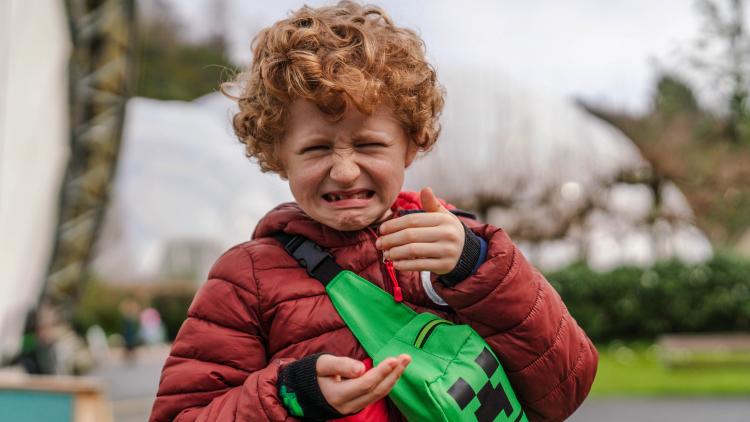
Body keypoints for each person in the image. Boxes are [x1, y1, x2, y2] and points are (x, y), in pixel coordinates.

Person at [149, 2, 597, 421]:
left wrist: (477, 268)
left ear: (412, 144)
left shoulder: (464, 248)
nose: (344, 171)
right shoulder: (247, 280)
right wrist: (292, 392)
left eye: (368, 144)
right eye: (316, 148)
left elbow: (565, 387)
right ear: (277, 154)